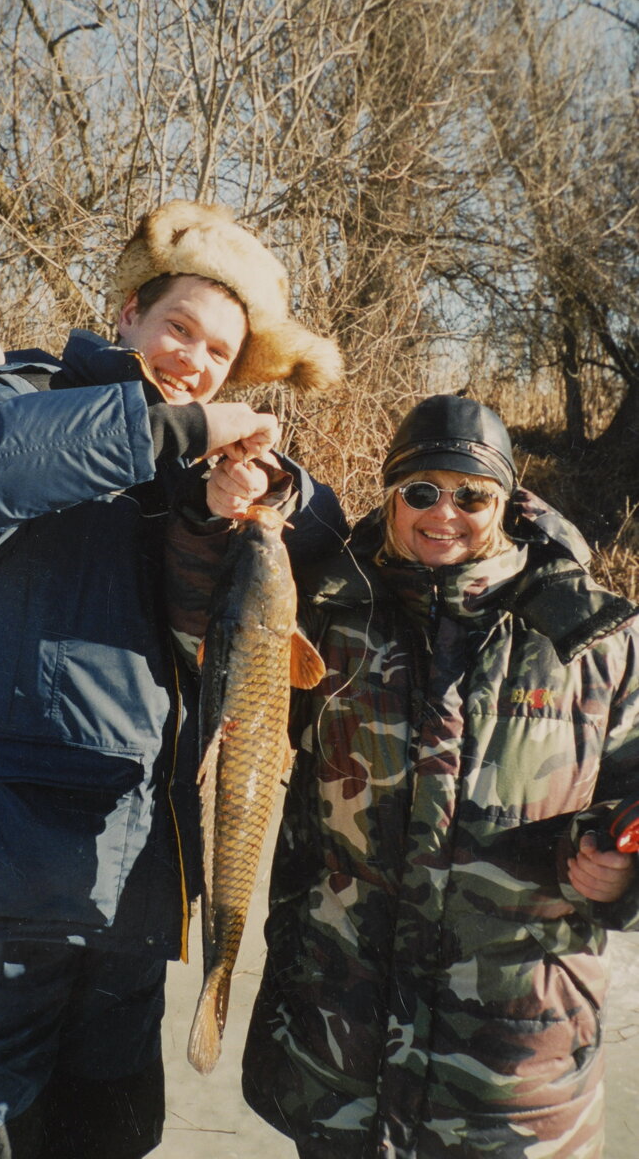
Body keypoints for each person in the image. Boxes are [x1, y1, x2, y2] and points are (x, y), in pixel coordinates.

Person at [0, 199, 346, 1159]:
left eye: (219, 354)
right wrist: (176, 435)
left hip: (128, 899)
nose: (194, 362)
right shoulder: (13, 401)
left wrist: (265, 494)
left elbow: (329, 549)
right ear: (128, 312)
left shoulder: (196, 465)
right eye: (180, 328)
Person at [232, 394, 639, 1158]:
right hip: (339, 1053)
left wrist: (625, 872)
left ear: (510, 504)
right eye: (421, 491)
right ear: (390, 497)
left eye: (471, 495)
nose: (442, 513)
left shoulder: (598, 639)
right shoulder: (330, 617)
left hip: (511, 1075)